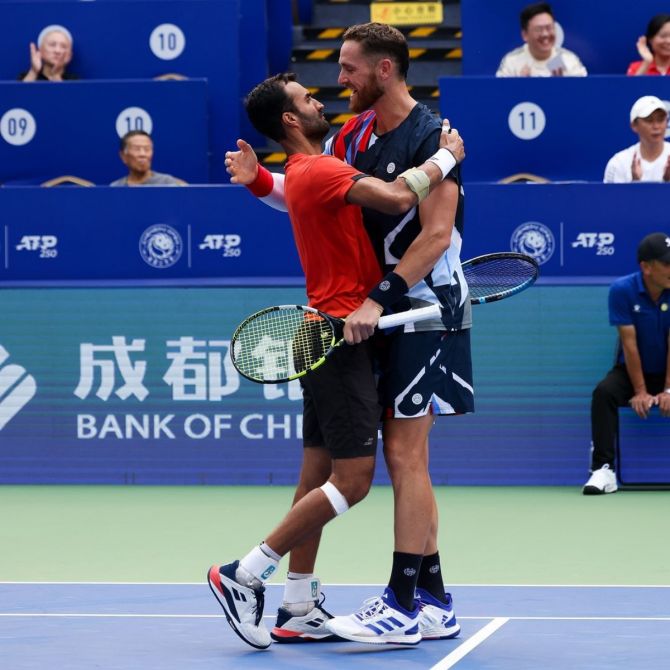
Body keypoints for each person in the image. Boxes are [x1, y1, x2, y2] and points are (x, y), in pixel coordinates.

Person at [222, 22, 471, 647]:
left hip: (418, 310)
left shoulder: (428, 132)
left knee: (401, 458)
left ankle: (408, 601)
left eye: (347, 68)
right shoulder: (353, 138)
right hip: (359, 319)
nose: (335, 83)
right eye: (322, 79)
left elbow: (435, 236)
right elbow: (342, 194)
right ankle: (409, 596)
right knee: (356, 468)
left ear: (383, 70)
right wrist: (260, 182)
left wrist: (379, 297)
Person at [584, 232, 670, 495]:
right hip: (633, 372)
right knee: (604, 393)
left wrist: (668, 390)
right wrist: (641, 390)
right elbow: (629, 345)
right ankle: (604, 470)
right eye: (667, 263)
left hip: (667, 372)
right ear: (646, 267)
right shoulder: (623, 290)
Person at [496, 2, 587, 77]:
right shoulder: (512, 62)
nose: (545, 34)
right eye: (538, 29)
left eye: (549, 28)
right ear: (525, 35)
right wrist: (520, 85)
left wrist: (562, 85)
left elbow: (583, 92)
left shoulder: (569, 60)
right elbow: (500, 93)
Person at [603, 95, 670, 183]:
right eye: (649, 120)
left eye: (660, 120)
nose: (656, 126)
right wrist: (634, 185)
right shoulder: (618, 163)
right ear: (634, 125)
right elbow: (610, 196)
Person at [110, 131, 186, 186]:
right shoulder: (116, 187)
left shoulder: (168, 183)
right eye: (136, 149)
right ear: (123, 156)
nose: (143, 154)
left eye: (147, 149)